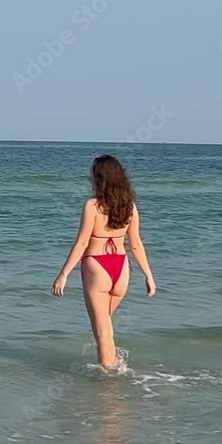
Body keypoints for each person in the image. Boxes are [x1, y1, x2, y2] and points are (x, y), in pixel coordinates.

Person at [51, 154, 156, 369]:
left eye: (92, 173)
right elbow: (136, 245)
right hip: (121, 270)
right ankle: (113, 368)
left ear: (100, 178)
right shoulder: (130, 207)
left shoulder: (93, 206)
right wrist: (149, 276)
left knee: (103, 333)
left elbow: (82, 243)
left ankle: (107, 382)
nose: (89, 177)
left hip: (97, 267)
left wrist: (63, 275)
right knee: (105, 327)